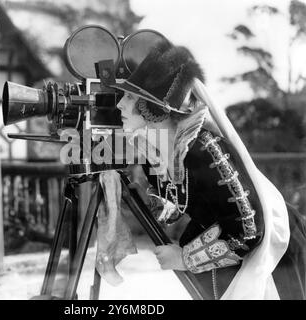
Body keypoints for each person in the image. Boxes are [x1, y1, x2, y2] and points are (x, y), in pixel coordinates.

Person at [108, 39, 306, 300]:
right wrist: (144, 200)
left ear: (154, 108)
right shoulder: (153, 151)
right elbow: (179, 202)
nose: (120, 104)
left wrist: (185, 258)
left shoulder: (203, 151)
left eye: (130, 97)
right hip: (220, 242)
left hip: (275, 249)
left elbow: (249, 232)